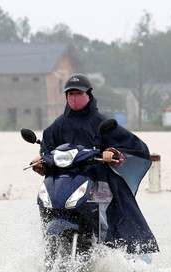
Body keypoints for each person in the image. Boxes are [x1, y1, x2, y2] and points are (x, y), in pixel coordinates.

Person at [30, 73, 159, 256]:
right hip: (64, 182)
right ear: (66, 96)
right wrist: (41, 160)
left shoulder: (102, 122)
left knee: (103, 220)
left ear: (89, 94)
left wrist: (112, 152)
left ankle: (104, 251)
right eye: (71, 93)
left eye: (79, 93)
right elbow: (48, 150)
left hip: (97, 180)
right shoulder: (57, 126)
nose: (75, 97)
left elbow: (134, 147)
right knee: (46, 205)